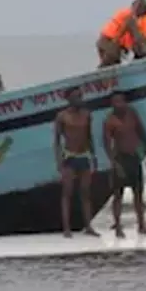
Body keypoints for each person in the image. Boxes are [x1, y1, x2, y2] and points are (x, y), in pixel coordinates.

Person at [102, 91, 146, 239]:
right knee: (118, 195)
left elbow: (140, 129)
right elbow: (106, 144)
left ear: (125, 102)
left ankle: (142, 225)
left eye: (120, 101)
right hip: (120, 158)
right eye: (115, 102)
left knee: (138, 193)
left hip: (134, 157)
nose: (118, 104)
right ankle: (118, 227)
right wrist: (114, 163)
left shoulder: (132, 113)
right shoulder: (109, 120)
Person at [54, 86, 99, 238]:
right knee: (67, 192)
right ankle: (66, 228)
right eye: (76, 97)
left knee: (86, 192)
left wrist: (94, 156)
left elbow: (89, 136)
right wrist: (59, 160)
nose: (79, 99)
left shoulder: (87, 115)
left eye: (80, 96)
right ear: (69, 99)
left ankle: (89, 226)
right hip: (69, 156)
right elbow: (57, 140)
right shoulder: (62, 116)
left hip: (84, 155)